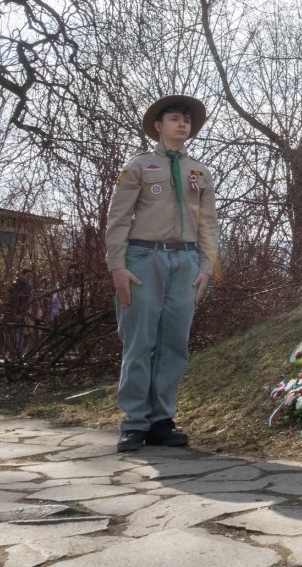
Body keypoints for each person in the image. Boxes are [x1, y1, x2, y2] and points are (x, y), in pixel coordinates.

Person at [105, 94, 218, 452]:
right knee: (140, 342)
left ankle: (161, 420)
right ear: (158, 125)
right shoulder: (138, 166)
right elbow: (119, 218)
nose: (182, 123)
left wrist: (206, 267)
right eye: (174, 118)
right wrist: (117, 265)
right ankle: (134, 422)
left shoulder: (199, 171)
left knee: (174, 344)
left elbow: (209, 224)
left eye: (186, 119)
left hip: (184, 262)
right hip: (143, 259)